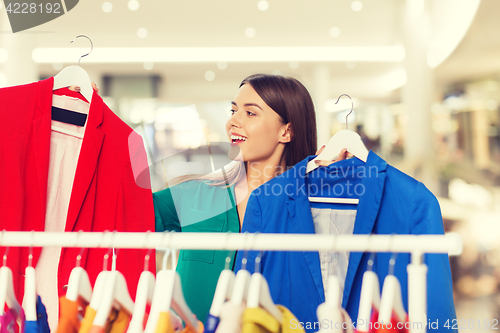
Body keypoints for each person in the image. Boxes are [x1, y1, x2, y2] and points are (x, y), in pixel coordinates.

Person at [153, 73, 347, 323]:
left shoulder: (314, 205)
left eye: (250, 113)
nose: (233, 122)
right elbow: (120, 206)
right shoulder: (194, 195)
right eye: (233, 111)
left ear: (287, 131)